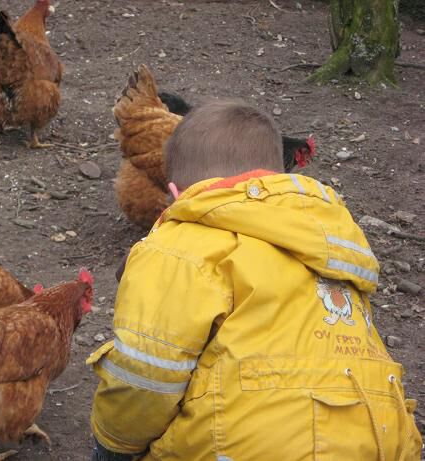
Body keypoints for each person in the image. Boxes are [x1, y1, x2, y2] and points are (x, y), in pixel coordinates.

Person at [87, 99, 422, 461]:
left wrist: (114, 443)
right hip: (384, 439)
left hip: (254, 446)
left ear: (176, 195)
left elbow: (146, 370)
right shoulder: (330, 246)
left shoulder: (180, 246)